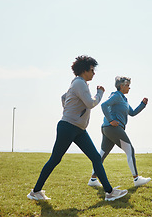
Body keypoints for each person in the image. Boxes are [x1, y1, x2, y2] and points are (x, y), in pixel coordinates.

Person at [27, 56, 128, 201]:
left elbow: (64, 97)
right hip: (68, 127)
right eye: (92, 70)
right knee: (55, 159)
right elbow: (90, 103)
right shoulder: (79, 83)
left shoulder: (79, 84)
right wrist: (100, 93)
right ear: (84, 70)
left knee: (95, 158)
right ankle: (35, 192)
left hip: (78, 129)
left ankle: (109, 192)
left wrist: (71, 110)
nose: (94, 73)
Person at [88, 76, 151, 188]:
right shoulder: (116, 96)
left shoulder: (123, 99)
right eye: (127, 85)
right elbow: (104, 105)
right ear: (121, 86)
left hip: (107, 129)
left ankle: (93, 179)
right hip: (112, 128)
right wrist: (111, 120)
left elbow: (132, 113)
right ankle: (136, 179)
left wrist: (143, 104)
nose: (129, 88)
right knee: (130, 149)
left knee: (102, 154)